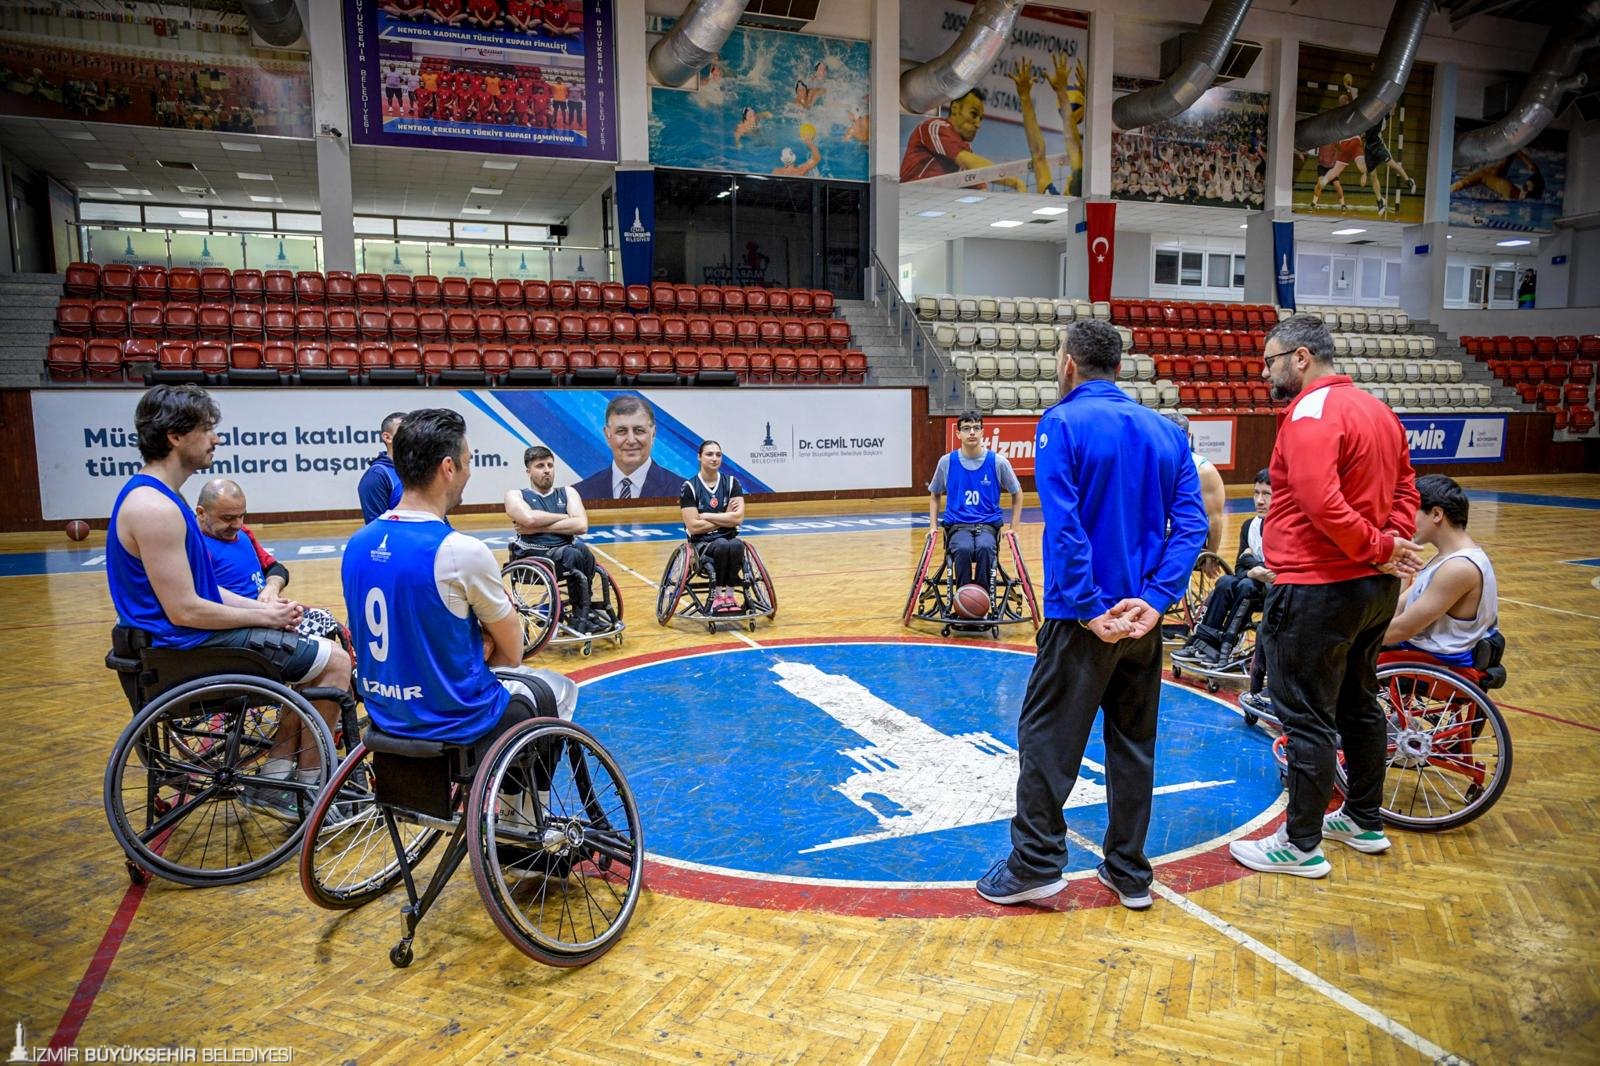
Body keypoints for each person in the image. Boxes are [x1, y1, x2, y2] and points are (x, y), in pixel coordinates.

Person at [976, 321, 1207, 911]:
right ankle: (1129, 871)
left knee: (1047, 741)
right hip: (1142, 623)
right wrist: (1156, 600)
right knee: (1133, 745)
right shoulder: (1166, 431)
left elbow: (1066, 526)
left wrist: (1086, 607)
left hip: (1084, 620)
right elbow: (1192, 528)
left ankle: (1035, 866)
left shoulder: (1059, 423)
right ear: (1119, 368)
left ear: (1069, 364)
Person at [1229, 315, 1423, 879]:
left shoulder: (1311, 412)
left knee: (1307, 715)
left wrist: (1376, 544)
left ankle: (1300, 844)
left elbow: (1320, 502)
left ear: (1302, 357)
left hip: (1319, 587)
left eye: (1270, 361)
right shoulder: (1378, 409)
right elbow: (1408, 485)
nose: (1265, 372)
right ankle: (1363, 819)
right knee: (1359, 702)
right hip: (1373, 589)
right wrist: (1385, 547)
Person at [106, 385, 352, 820]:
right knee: (334, 661)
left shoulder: (164, 500)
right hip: (189, 650)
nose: (215, 439)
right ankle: (311, 785)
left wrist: (266, 611)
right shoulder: (154, 508)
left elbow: (204, 590)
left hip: (187, 641)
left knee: (306, 633)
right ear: (175, 436)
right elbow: (187, 610)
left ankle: (277, 775)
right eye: (207, 429)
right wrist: (261, 616)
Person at [342, 408, 577, 750]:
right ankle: (523, 804)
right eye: (468, 461)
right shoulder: (459, 551)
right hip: (453, 717)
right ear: (448, 468)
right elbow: (512, 654)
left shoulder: (356, 545)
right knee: (559, 690)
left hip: (383, 713)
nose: (470, 471)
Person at [195, 477, 347, 645]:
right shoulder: (196, 545)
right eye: (228, 518)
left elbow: (276, 569)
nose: (237, 524)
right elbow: (205, 599)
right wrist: (267, 612)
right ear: (201, 513)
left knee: (327, 621)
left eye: (241, 516)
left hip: (268, 614)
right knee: (330, 651)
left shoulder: (243, 533)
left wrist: (271, 590)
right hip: (245, 626)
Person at [1381, 474, 1498, 668]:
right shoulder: (1445, 558)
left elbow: (1404, 628)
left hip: (1437, 660)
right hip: (1425, 652)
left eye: (1410, 512)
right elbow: (1398, 607)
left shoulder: (1459, 568)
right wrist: (1403, 573)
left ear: (1436, 514)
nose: (1405, 521)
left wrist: (1354, 639)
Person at [1175, 469, 1274, 667]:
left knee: (1246, 584)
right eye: (1256, 493)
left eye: (1267, 494)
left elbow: (1276, 570)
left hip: (1277, 591)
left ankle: (1225, 648)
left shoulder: (1284, 528)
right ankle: (1203, 642)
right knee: (1226, 581)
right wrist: (1254, 569)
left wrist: (1251, 564)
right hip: (1254, 585)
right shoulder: (1249, 526)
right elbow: (1238, 568)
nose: (1259, 500)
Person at [505, 445, 601, 633]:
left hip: (564, 553)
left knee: (582, 550)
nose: (547, 470)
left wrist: (537, 526)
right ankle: (580, 617)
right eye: (540, 466)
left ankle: (583, 612)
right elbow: (529, 518)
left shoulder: (568, 493)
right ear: (529, 471)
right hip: (535, 556)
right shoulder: (515, 495)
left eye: (550, 465)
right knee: (573, 553)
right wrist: (567, 518)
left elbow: (581, 526)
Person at [927, 411, 1023, 595]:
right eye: (966, 429)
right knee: (963, 549)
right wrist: (932, 526)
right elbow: (934, 494)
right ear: (958, 434)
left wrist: (1014, 527)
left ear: (982, 432)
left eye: (976, 428)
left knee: (986, 549)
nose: (971, 432)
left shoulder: (998, 462)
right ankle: (964, 600)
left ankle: (982, 598)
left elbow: (1017, 493)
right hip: (957, 526)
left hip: (988, 525)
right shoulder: (946, 462)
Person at [899, 88, 1024, 191]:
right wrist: (1015, 182)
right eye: (974, 114)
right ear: (955, 109)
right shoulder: (934, 127)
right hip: (909, 199)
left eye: (980, 119)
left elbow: (981, 191)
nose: (978, 124)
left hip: (937, 207)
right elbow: (969, 162)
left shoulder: (968, 152)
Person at [572, 395, 686, 500]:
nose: (631, 440)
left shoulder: (684, 491)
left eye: (639, 431)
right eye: (621, 431)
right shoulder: (578, 495)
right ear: (607, 435)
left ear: (653, 434)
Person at [679, 440, 747, 614]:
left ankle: (730, 595)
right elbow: (694, 526)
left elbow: (738, 518)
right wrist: (725, 516)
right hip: (703, 544)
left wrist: (708, 516)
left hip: (729, 538)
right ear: (699, 457)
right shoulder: (690, 487)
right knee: (723, 544)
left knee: (737, 544)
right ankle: (718, 597)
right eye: (709, 454)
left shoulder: (732, 483)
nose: (714, 458)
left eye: (718, 454)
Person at [1163, 412, 1227, 564]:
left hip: (1185, 533)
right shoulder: (1152, 463)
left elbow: (1215, 518)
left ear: (1188, 436)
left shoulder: (1204, 470)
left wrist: (1211, 556)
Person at [358, 411, 406, 524]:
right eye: (404, 431)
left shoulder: (423, 469)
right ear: (387, 437)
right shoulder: (376, 476)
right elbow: (377, 529)